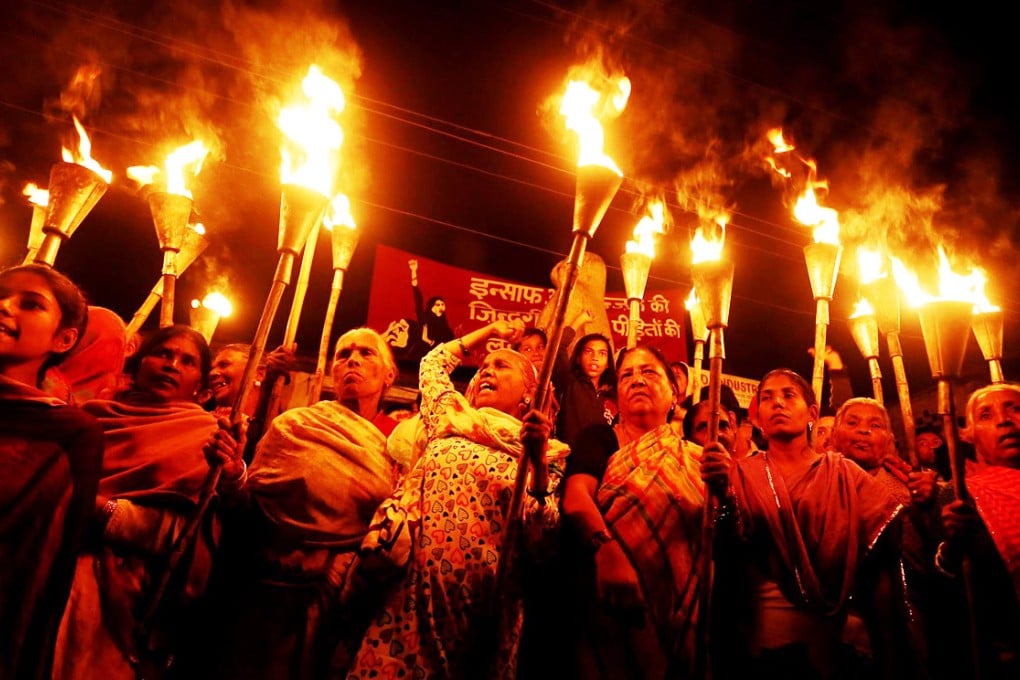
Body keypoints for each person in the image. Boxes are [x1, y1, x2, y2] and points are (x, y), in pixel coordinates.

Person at [347, 320, 568, 679]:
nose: (486, 371)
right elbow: (432, 364)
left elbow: (543, 540)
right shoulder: (450, 417)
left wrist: (538, 461)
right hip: (409, 601)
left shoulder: (545, 453)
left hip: (486, 614)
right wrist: (486, 332)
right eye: (483, 366)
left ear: (530, 393)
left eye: (501, 366)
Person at [204, 327, 401, 679]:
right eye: (343, 354)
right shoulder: (295, 425)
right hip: (258, 593)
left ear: (389, 375)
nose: (352, 359)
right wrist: (234, 475)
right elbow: (248, 511)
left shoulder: (400, 444)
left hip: (334, 600)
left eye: (366, 353)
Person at [53, 324, 220, 680]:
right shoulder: (91, 417)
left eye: (187, 361)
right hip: (52, 560)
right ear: (139, 363)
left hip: (129, 591)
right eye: (163, 354)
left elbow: (193, 535)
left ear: (202, 386)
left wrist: (107, 513)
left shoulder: (207, 437)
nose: (172, 365)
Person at [561, 343, 731, 677]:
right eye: (627, 375)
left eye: (649, 372)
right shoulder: (600, 439)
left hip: (682, 608)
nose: (637, 380)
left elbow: (722, 531)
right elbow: (576, 495)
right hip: (609, 602)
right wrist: (606, 551)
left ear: (674, 393)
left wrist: (726, 489)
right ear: (617, 395)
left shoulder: (697, 458)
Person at [721, 369, 903, 679]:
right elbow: (728, 557)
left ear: (813, 414)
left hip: (843, 632)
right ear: (759, 416)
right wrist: (718, 494)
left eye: (788, 395)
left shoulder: (844, 474)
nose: (777, 403)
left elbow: (884, 557)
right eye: (767, 398)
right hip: (765, 634)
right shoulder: (739, 475)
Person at [0, 264, 103, 679]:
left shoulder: (69, 432)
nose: (4, 307)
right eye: (1, 295)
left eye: (31, 304)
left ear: (63, 339)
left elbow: (49, 566)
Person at [829, 397, 938, 678]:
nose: (863, 430)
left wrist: (930, 505)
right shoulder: (815, 481)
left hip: (897, 617)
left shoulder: (911, 488)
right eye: (852, 423)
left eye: (874, 425)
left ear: (889, 440)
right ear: (834, 432)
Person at [937, 383, 1020, 678]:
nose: (1004, 420)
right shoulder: (958, 493)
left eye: (1015, 408)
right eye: (986, 414)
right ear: (967, 434)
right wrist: (952, 548)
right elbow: (946, 584)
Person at [555, 331, 617, 449]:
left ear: (608, 363)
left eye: (602, 353)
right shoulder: (570, 382)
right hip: (570, 460)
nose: (595, 358)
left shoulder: (615, 394)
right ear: (578, 358)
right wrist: (579, 321)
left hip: (604, 462)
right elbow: (557, 348)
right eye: (589, 352)